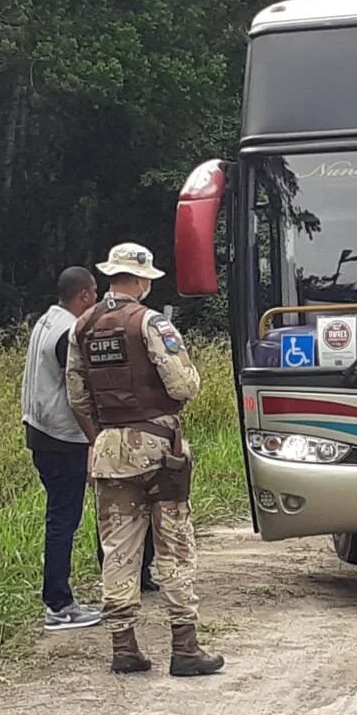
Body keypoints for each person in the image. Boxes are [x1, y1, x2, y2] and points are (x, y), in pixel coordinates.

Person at [66, 242, 224, 677]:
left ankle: (124, 647)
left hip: (108, 452)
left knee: (118, 549)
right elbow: (184, 387)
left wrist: (100, 436)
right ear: (141, 282)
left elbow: (76, 395)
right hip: (159, 452)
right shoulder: (151, 322)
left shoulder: (82, 327)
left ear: (111, 277)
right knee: (173, 545)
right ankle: (185, 647)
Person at [22, 267, 104, 631]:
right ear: (83, 295)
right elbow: (76, 395)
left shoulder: (46, 321)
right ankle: (58, 605)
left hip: (38, 430)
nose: (98, 300)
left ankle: (60, 599)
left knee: (59, 517)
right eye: (95, 293)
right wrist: (94, 440)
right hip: (60, 437)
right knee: (63, 521)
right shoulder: (68, 334)